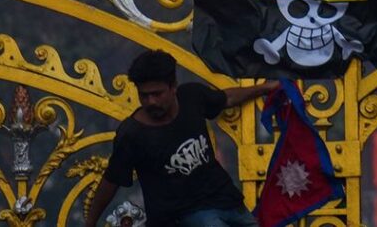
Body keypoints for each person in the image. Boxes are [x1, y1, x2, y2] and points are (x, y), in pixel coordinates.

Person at [85, 49, 278, 227]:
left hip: (227, 201)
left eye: (157, 94)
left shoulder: (192, 97)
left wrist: (265, 88)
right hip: (184, 216)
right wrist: (90, 222)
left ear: (173, 86)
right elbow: (111, 180)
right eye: (144, 95)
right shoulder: (132, 133)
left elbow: (226, 98)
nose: (151, 102)